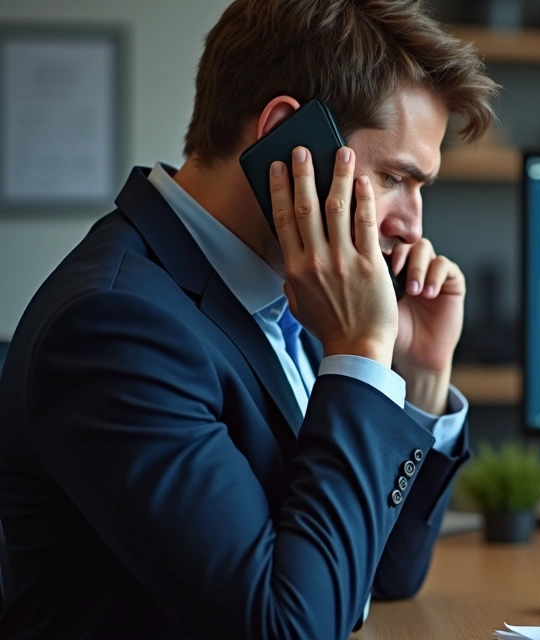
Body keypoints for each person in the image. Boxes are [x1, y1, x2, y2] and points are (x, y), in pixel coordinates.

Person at [0, 0, 499, 637]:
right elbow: (287, 628)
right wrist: (361, 352)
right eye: (396, 177)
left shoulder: (297, 292)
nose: (413, 226)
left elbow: (382, 575)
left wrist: (417, 375)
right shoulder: (115, 328)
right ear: (287, 141)